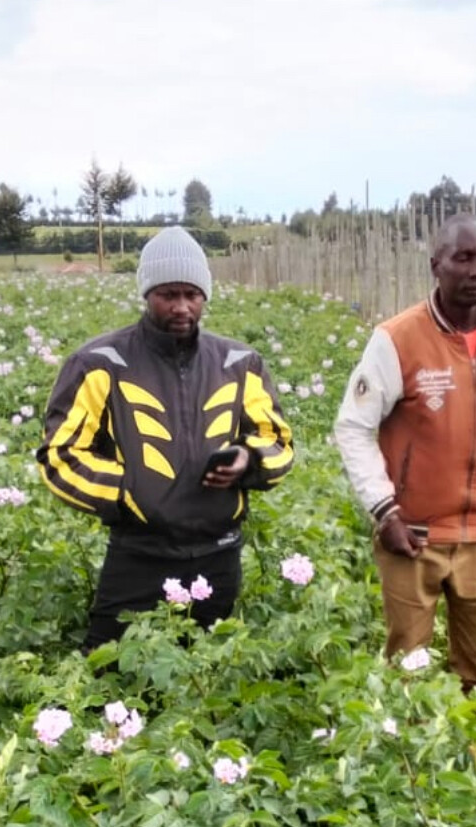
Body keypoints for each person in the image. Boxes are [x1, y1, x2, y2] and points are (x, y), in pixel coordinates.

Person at [37, 226, 294, 651]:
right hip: (138, 555)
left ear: (205, 295)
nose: (181, 307)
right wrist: (128, 491)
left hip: (219, 553)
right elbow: (60, 456)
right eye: (168, 294)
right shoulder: (100, 363)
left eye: (191, 295)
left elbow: (279, 443)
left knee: (210, 670)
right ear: (146, 293)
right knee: (108, 667)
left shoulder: (239, 362)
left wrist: (248, 460)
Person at [334, 214, 476, 691]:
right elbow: (353, 426)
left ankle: (474, 736)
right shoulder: (397, 338)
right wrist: (385, 511)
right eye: (464, 258)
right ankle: (408, 739)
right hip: (412, 535)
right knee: (407, 669)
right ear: (436, 265)